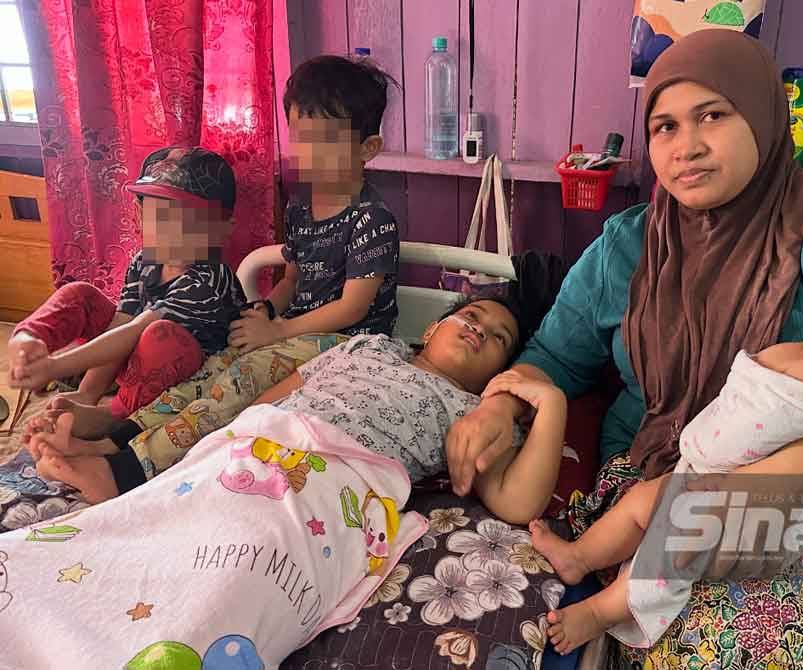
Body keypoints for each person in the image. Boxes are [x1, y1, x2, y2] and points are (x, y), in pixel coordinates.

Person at [446, 28, 803, 604]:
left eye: (713, 115)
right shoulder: (626, 246)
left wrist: (767, 485)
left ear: (763, 117)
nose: (687, 147)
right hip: (668, 489)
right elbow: (553, 357)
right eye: (665, 127)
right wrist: (499, 406)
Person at [528, 270, 803, 653]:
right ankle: (579, 557)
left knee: (670, 551)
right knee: (641, 502)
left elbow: (756, 445)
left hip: (744, 502)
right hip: (704, 473)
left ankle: (601, 612)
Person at [23, 54, 402, 498]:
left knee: (237, 385)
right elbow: (292, 281)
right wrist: (264, 312)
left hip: (348, 343)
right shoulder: (300, 210)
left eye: (328, 141)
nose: (311, 154)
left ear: (367, 148)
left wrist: (277, 331)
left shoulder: (372, 220)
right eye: (302, 137)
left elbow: (352, 308)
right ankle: (116, 434)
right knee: (211, 371)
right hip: (294, 331)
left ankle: (127, 470)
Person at [30, 297, 567, 523]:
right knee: (224, 415)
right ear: (431, 328)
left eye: (498, 338)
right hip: (267, 433)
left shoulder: (471, 412)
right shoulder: (371, 347)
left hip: (327, 475)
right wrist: (227, 437)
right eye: (471, 316)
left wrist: (551, 406)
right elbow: (283, 390)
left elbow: (516, 500)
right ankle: (128, 465)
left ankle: (124, 484)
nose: (479, 330)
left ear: (499, 373)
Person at [6, 146, 246, 419]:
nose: (174, 233)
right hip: (137, 360)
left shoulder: (209, 279)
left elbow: (134, 331)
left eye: (191, 222)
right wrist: (88, 392)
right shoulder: (144, 261)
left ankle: (116, 414)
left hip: (190, 379)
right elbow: (122, 322)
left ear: (223, 229)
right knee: (79, 294)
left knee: (161, 335)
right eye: (160, 218)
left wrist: (55, 366)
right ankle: (28, 342)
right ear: (139, 215)